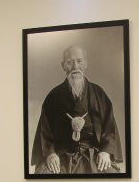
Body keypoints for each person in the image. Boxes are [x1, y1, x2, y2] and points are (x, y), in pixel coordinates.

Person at [30, 45, 122, 174]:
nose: (75, 67)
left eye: (79, 61)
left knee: (112, 175)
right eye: (70, 62)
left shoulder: (98, 93)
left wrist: (105, 152)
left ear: (86, 63)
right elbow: (44, 132)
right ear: (63, 66)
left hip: (93, 154)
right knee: (43, 175)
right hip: (60, 155)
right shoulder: (53, 96)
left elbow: (109, 127)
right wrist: (50, 154)